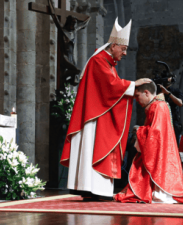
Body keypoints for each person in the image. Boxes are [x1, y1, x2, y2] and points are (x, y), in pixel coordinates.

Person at [60, 20, 152, 201]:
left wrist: (130, 89)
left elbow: (113, 87)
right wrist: (133, 85)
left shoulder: (107, 63)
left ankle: (91, 188)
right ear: (114, 45)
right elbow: (110, 86)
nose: (125, 53)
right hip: (93, 118)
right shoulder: (99, 60)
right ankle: (91, 188)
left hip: (98, 114)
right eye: (123, 49)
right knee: (92, 148)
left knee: (94, 149)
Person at [114, 81, 183, 204]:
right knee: (158, 195)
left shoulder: (158, 106)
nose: (136, 99)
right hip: (158, 150)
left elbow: (156, 133)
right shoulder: (155, 106)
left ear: (146, 93)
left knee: (165, 195)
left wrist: (139, 131)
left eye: (137, 95)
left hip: (161, 152)